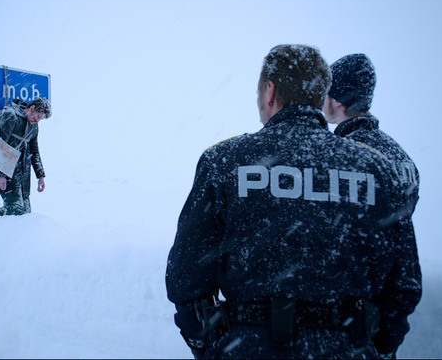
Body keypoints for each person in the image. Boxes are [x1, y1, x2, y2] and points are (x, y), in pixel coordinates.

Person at [165, 44, 421, 359]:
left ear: (269, 92)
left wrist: (214, 346)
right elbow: (404, 282)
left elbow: (185, 278)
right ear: (320, 95)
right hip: (348, 349)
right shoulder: (375, 169)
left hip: (248, 348)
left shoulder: (225, 162)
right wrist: (368, 344)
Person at [323, 53, 422, 357]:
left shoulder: (345, 158)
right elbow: (400, 242)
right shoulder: (402, 157)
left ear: (337, 100)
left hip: (347, 321)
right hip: (385, 312)